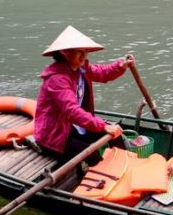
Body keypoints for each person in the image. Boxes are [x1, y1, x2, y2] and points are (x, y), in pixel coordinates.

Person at [34, 25, 131, 165]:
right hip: (56, 133)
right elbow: (71, 110)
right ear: (66, 53)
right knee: (92, 156)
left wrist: (121, 66)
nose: (85, 56)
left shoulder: (80, 69)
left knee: (116, 135)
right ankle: (98, 178)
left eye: (85, 51)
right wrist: (102, 125)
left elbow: (101, 72)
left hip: (74, 126)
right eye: (80, 52)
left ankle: (124, 167)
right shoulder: (57, 79)